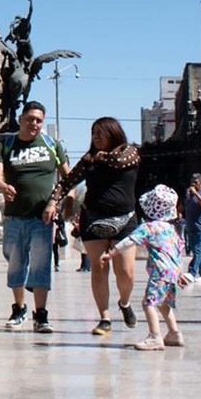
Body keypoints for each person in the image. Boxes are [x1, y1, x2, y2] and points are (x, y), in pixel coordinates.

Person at [48, 116, 141, 337]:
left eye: (100, 132)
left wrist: (102, 157)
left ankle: (125, 303)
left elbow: (120, 162)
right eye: (93, 133)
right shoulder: (89, 159)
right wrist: (53, 201)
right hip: (93, 219)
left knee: (126, 272)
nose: (96, 137)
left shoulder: (131, 152)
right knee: (98, 268)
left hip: (125, 219)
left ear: (113, 132)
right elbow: (67, 181)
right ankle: (104, 318)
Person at [0, 101, 69, 333]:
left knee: (41, 265)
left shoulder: (52, 145)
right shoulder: (6, 144)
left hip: (42, 219)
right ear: (21, 119)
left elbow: (68, 178)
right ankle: (19, 308)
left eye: (38, 120)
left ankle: (41, 315)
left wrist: (55, 202)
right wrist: (2, 185)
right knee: (15, 264)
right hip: (14, 218)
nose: (34, 123)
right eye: (30, 119)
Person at [101, 185, 189, 351]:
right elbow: (178, 251)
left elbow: (129, 241)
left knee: (148, 303)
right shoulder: (171, 229)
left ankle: (155, 337)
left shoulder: (148, 227)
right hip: (171, 272)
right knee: (163, 303)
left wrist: (111, 253)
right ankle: (174, 333)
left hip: (159, 272)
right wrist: (179, 273)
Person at [184, 174, 201, 283]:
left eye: (196, 182)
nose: (193, 184)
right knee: (197, 251)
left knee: (198, 251)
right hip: (191, 227)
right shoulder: (189, 195)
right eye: (192, 182)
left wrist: (196, 193)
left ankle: (191, 272)